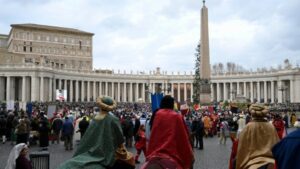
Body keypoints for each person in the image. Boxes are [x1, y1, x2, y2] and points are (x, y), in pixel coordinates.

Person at [58, 96, 135, 169]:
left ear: (100, 106)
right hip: (107, 152)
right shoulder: (113, 119)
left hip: (92, 150)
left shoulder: (94, 119)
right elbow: (120, 138)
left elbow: (88, 137)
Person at [142, 95, 194, 169]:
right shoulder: (177, 116)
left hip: (155, 152)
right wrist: (189, 156)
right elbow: (183, 138)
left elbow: (152, 136)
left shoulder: (156, 114)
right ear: (172, 105)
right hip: (171, 153)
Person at [235, 104, 279, 169]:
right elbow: (277, 146)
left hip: (252, 163)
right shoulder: (271, 127)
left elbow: (242, 149)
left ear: (252, 114)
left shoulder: (248, 127)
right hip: (271, 162)